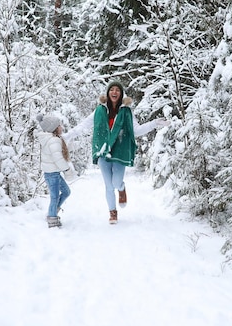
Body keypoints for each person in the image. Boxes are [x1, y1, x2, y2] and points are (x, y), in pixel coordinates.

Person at [64, 80, 169, 224]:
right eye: (112, 89)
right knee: (108, 185)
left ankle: (122, 188)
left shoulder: (127, 112)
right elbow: (84, 125)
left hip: (119, 150)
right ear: (108, 93)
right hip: (102, 150)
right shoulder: (99, 110)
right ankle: (113, 212)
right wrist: (67, 136)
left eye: (117, 90)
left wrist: (155, 124)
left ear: (121, 94)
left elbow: (136, 131)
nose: (114, 92)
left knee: (116, 182)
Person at [36, 113, 76, 228]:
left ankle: (52, 212)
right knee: (54, 196)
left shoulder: (53, 140)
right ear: (54, 128)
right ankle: (52, 220)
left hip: (54, 173)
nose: (61, 127)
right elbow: (58, 158)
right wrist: (67, 170)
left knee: (66, 192)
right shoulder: (53, 141)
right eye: (59, 125)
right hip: (52, 174)